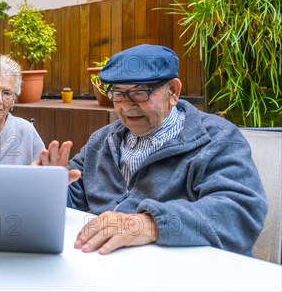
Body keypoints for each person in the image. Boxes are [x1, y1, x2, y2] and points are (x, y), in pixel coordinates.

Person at [36, 44, 267, 256]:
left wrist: (151, 224)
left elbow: (240, 212)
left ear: (173, 91)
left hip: (189, 273)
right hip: (107, 267)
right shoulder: (102, 140)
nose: (127, 106)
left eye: (140, 93)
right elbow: (72, 202)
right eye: (118, 94)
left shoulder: (217, 138)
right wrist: (50, 186)